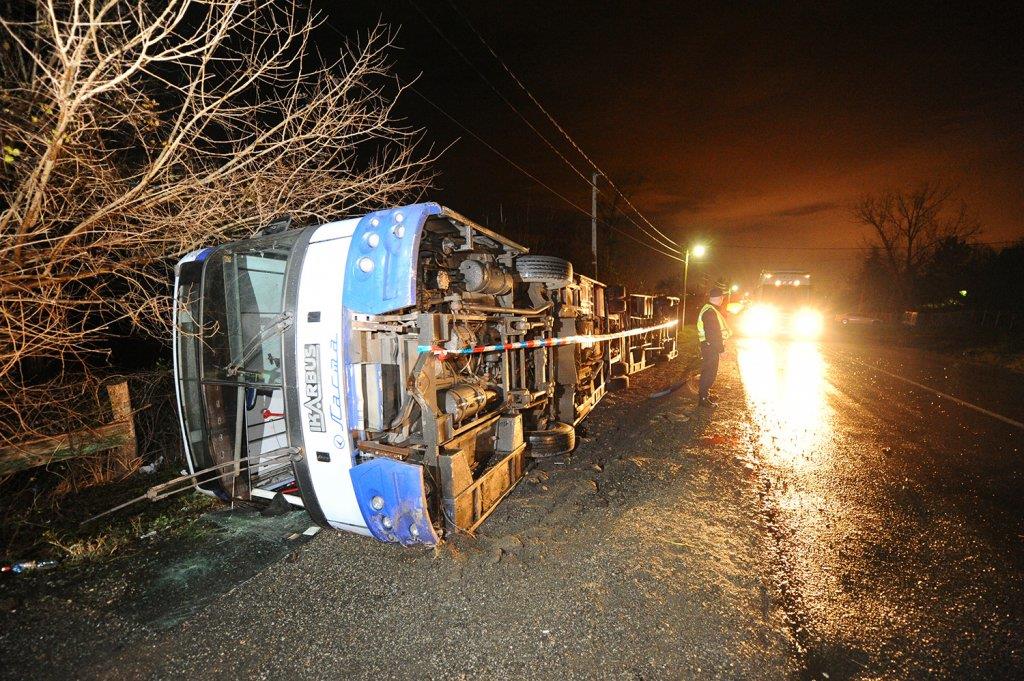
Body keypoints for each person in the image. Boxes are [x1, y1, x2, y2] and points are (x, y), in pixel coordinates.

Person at [696, 287, 731, 408]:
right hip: (710, 347)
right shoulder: (710, 311)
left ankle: (705, 394)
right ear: (720, 298)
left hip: (709, 346)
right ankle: (703, 399)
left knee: (709, 371)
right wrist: (721, 350)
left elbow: (714, 333)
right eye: (722, 298)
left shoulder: (710, 309)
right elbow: (713, 334)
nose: (723, 300)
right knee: (709, 373)